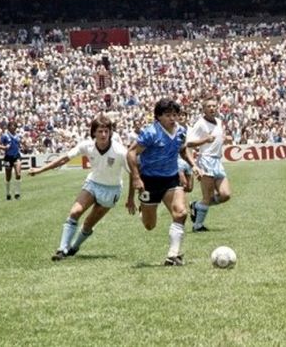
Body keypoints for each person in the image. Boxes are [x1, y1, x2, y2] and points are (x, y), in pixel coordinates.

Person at [29, 114, 128, 261]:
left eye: (106, 131)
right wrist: (40, 170)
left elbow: (134, 173)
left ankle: (74, 247)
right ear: (94, 132)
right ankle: (62, 250)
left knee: (88, 224)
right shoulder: (86, 145)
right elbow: (64, 158)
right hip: (93, 184)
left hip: (112, 190)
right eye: (100, 131)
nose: (103, 134)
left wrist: (133, 197)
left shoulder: (120, 151)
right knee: (75, 212)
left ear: (110, 133)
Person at [126, 98, 195, 266]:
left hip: (171, 179)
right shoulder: (150, 133)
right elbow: (131, 153)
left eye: (175, 115)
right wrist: (136, 177)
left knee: (181, 212)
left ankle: (172, 255)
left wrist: (194, 165)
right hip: (149, 181)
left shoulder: (181, 131)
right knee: (150, 225)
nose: (173, 119)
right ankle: (145, 209)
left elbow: (182, 149)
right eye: (168, 115)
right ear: (158, 117)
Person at [186, 97, 234, 233]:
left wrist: (225, 139)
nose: (212, 108)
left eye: (214, 106)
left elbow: (217, 139)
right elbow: (188, 143)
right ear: (204, 109)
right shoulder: (200, 124)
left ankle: (197, 205)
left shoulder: (218, 121)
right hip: (206, 160)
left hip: (217, 161)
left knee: (225, 194)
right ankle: (198, 226)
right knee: (207, 196)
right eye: (209, 106)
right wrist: (204, 139)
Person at [0, 121, 24, 200]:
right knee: (8, 176)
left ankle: (17, 193)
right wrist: (4, 148)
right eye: (12, 126)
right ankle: (8, 193)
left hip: (16, 156)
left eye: (15, 126)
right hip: (8, 157)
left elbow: (20, 143)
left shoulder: (18, 135)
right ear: (9, 127)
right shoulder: (5, 136)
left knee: (18, 174)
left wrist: (24, 144)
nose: (14, 128)